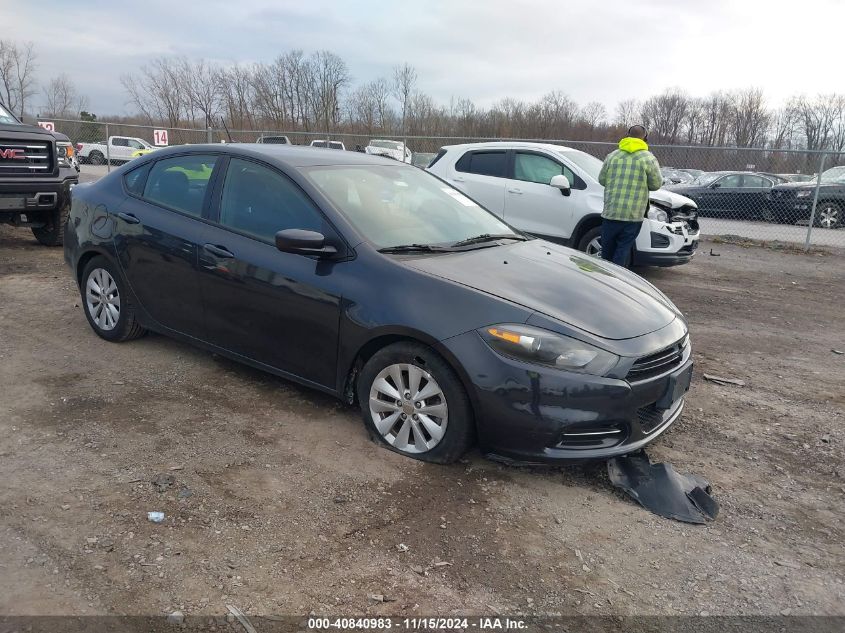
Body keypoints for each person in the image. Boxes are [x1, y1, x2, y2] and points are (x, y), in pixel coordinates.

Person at [597, 125, 662, 267]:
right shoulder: (648, 158)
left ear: (627, 136)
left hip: (611, 212)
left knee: (606, 251)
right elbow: (656, 184)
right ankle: (618, 281)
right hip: (633, 214)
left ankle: (603, 279)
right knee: (623, 249)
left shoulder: (612, 156)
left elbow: (602, 180)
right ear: (645, 138)